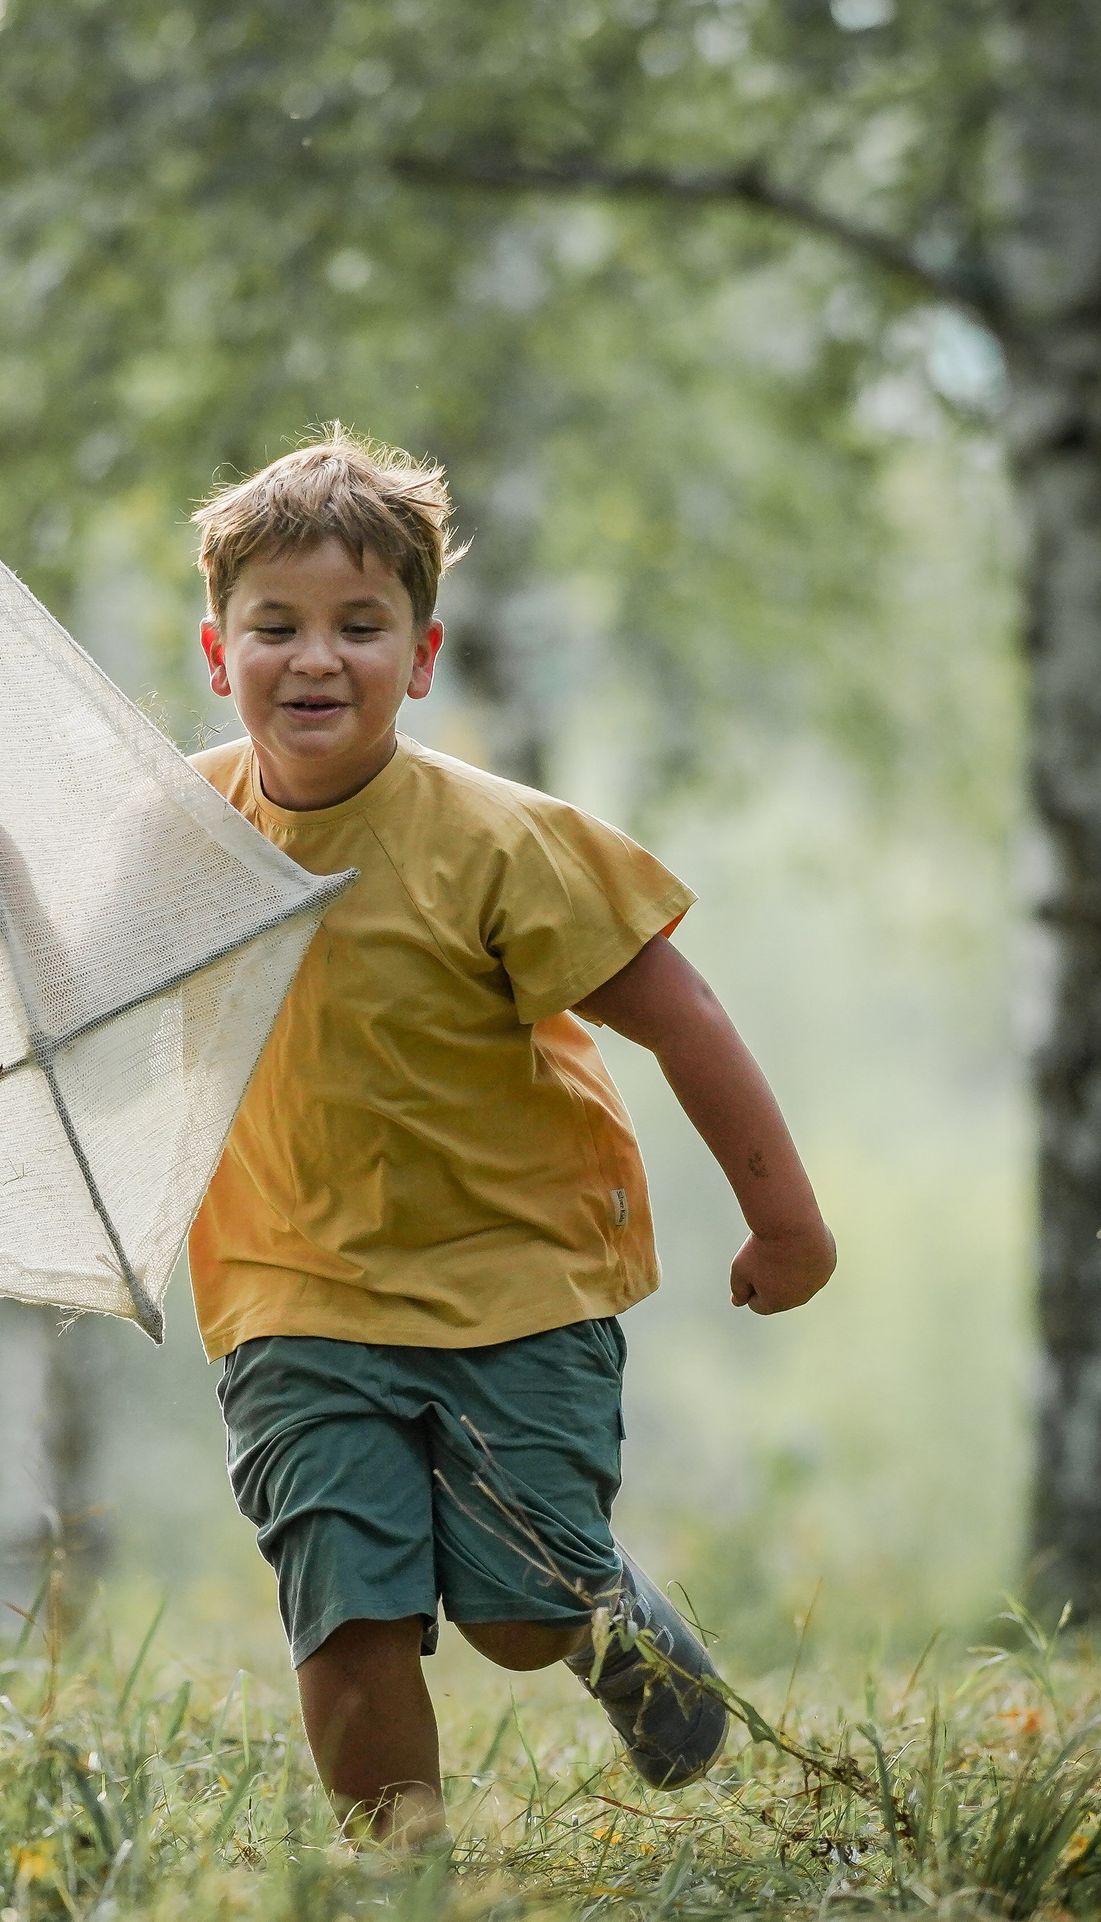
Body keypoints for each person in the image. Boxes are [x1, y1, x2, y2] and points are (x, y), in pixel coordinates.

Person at [187, 431, 836, 1842]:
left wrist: (785, 1220)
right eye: (276, 626)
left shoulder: (495, 845)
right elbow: (76, 976)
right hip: (293, 1289)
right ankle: (405, 1889)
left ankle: (611, 1623)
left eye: (360, 627)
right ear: (215, 647)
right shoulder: (182, 834)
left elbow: (684, 1016)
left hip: (518, 1280)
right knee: (346, 1601)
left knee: (515, 1611)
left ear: (420, 658)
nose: (315, 658)